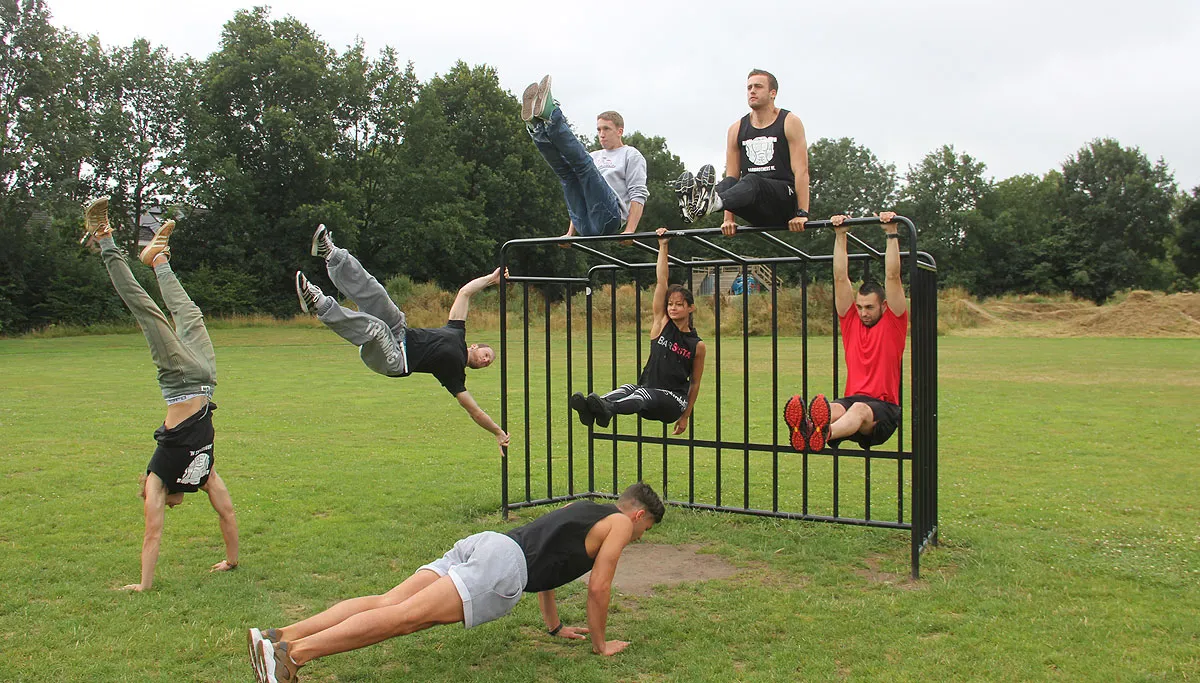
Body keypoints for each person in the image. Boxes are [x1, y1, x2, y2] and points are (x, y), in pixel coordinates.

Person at [246, 483, 665, 682]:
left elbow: (552, 565)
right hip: (502, 568)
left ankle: (277, 636)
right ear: (637, 515)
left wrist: (554, 626)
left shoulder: (585, 508)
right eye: (645, 529)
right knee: (402, 618)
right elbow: (599, 588)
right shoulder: (619, 526)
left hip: (486, 545)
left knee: (386, 601)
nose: (638, 537)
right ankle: (292, 656)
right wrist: (600, 644)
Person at [80, 197, 239, 591]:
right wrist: (231, 561)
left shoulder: (157, 478)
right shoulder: (203, 475)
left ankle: (104, 237)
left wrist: (144, 585)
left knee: (146, 310)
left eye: (168, 506)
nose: (173, 508)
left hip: (180, 379)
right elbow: (228, 513)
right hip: (206, 377)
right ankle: (157, 259)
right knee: (191, 315)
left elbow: (152, 535)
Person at [295, 225, 510, 451]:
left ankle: (318, 303)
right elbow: (465, 292)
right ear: (475, 346)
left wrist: (497, 431)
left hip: (396, 360)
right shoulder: (457, 331)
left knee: (376, 328)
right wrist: (491, 279)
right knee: (376, 293)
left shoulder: (455, 376)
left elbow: (474, 410)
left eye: (488, 363)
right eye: (487, 354)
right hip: (400, 330)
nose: (486, 360)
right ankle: (331, 254)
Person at [784, 212, 908, 452]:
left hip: (884, 408)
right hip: (852, 401)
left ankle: (819, 435)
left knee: (859, 410)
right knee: (835, 408)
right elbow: (840, 278)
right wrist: (840, 236)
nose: (863, 312)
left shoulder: (894, 323)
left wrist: (891, 233)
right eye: (859, 307)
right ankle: (808, 430)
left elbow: (893, 276)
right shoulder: (851, 322)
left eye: (869, 307)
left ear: (883, 306)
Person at [570, 228, 707, 435]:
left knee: (641, 393)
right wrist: (662, 245)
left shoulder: (697, 345)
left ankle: (608, 410)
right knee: (628, 388)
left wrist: (685, 416)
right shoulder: (662, 324)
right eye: (670, 304)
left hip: (673, 400)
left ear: (690, 308)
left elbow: (695, 383)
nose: (672, 308)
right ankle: (592, 408)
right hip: (647, 396)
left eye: (679, 304)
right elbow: (662, 281)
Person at [674, 69, 810, 236]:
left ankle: (712, 202)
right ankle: (696, 204)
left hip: (783, 202)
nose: (752, 91)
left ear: (772, 93)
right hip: (753, 204)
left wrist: (802, 213)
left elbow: (801, 170)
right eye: (749, 88)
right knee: (730, 183)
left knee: (752, 180)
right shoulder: (736, 129)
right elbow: (732, 176)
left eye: (758, 87)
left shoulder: (789, 121)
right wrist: (728, 219)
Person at [521, 75, 649, 239]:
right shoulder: (595, 155)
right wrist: (570, 233)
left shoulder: (631, 154)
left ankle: (552, 114)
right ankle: (537, 127)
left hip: (608, 218)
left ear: (620, 131)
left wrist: (629, 231)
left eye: (606, 129)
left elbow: (637, 193)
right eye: (598, 130)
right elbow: (579, 192)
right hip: (584, 224)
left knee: (583, 167)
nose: (601, 135)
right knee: (567, 174)